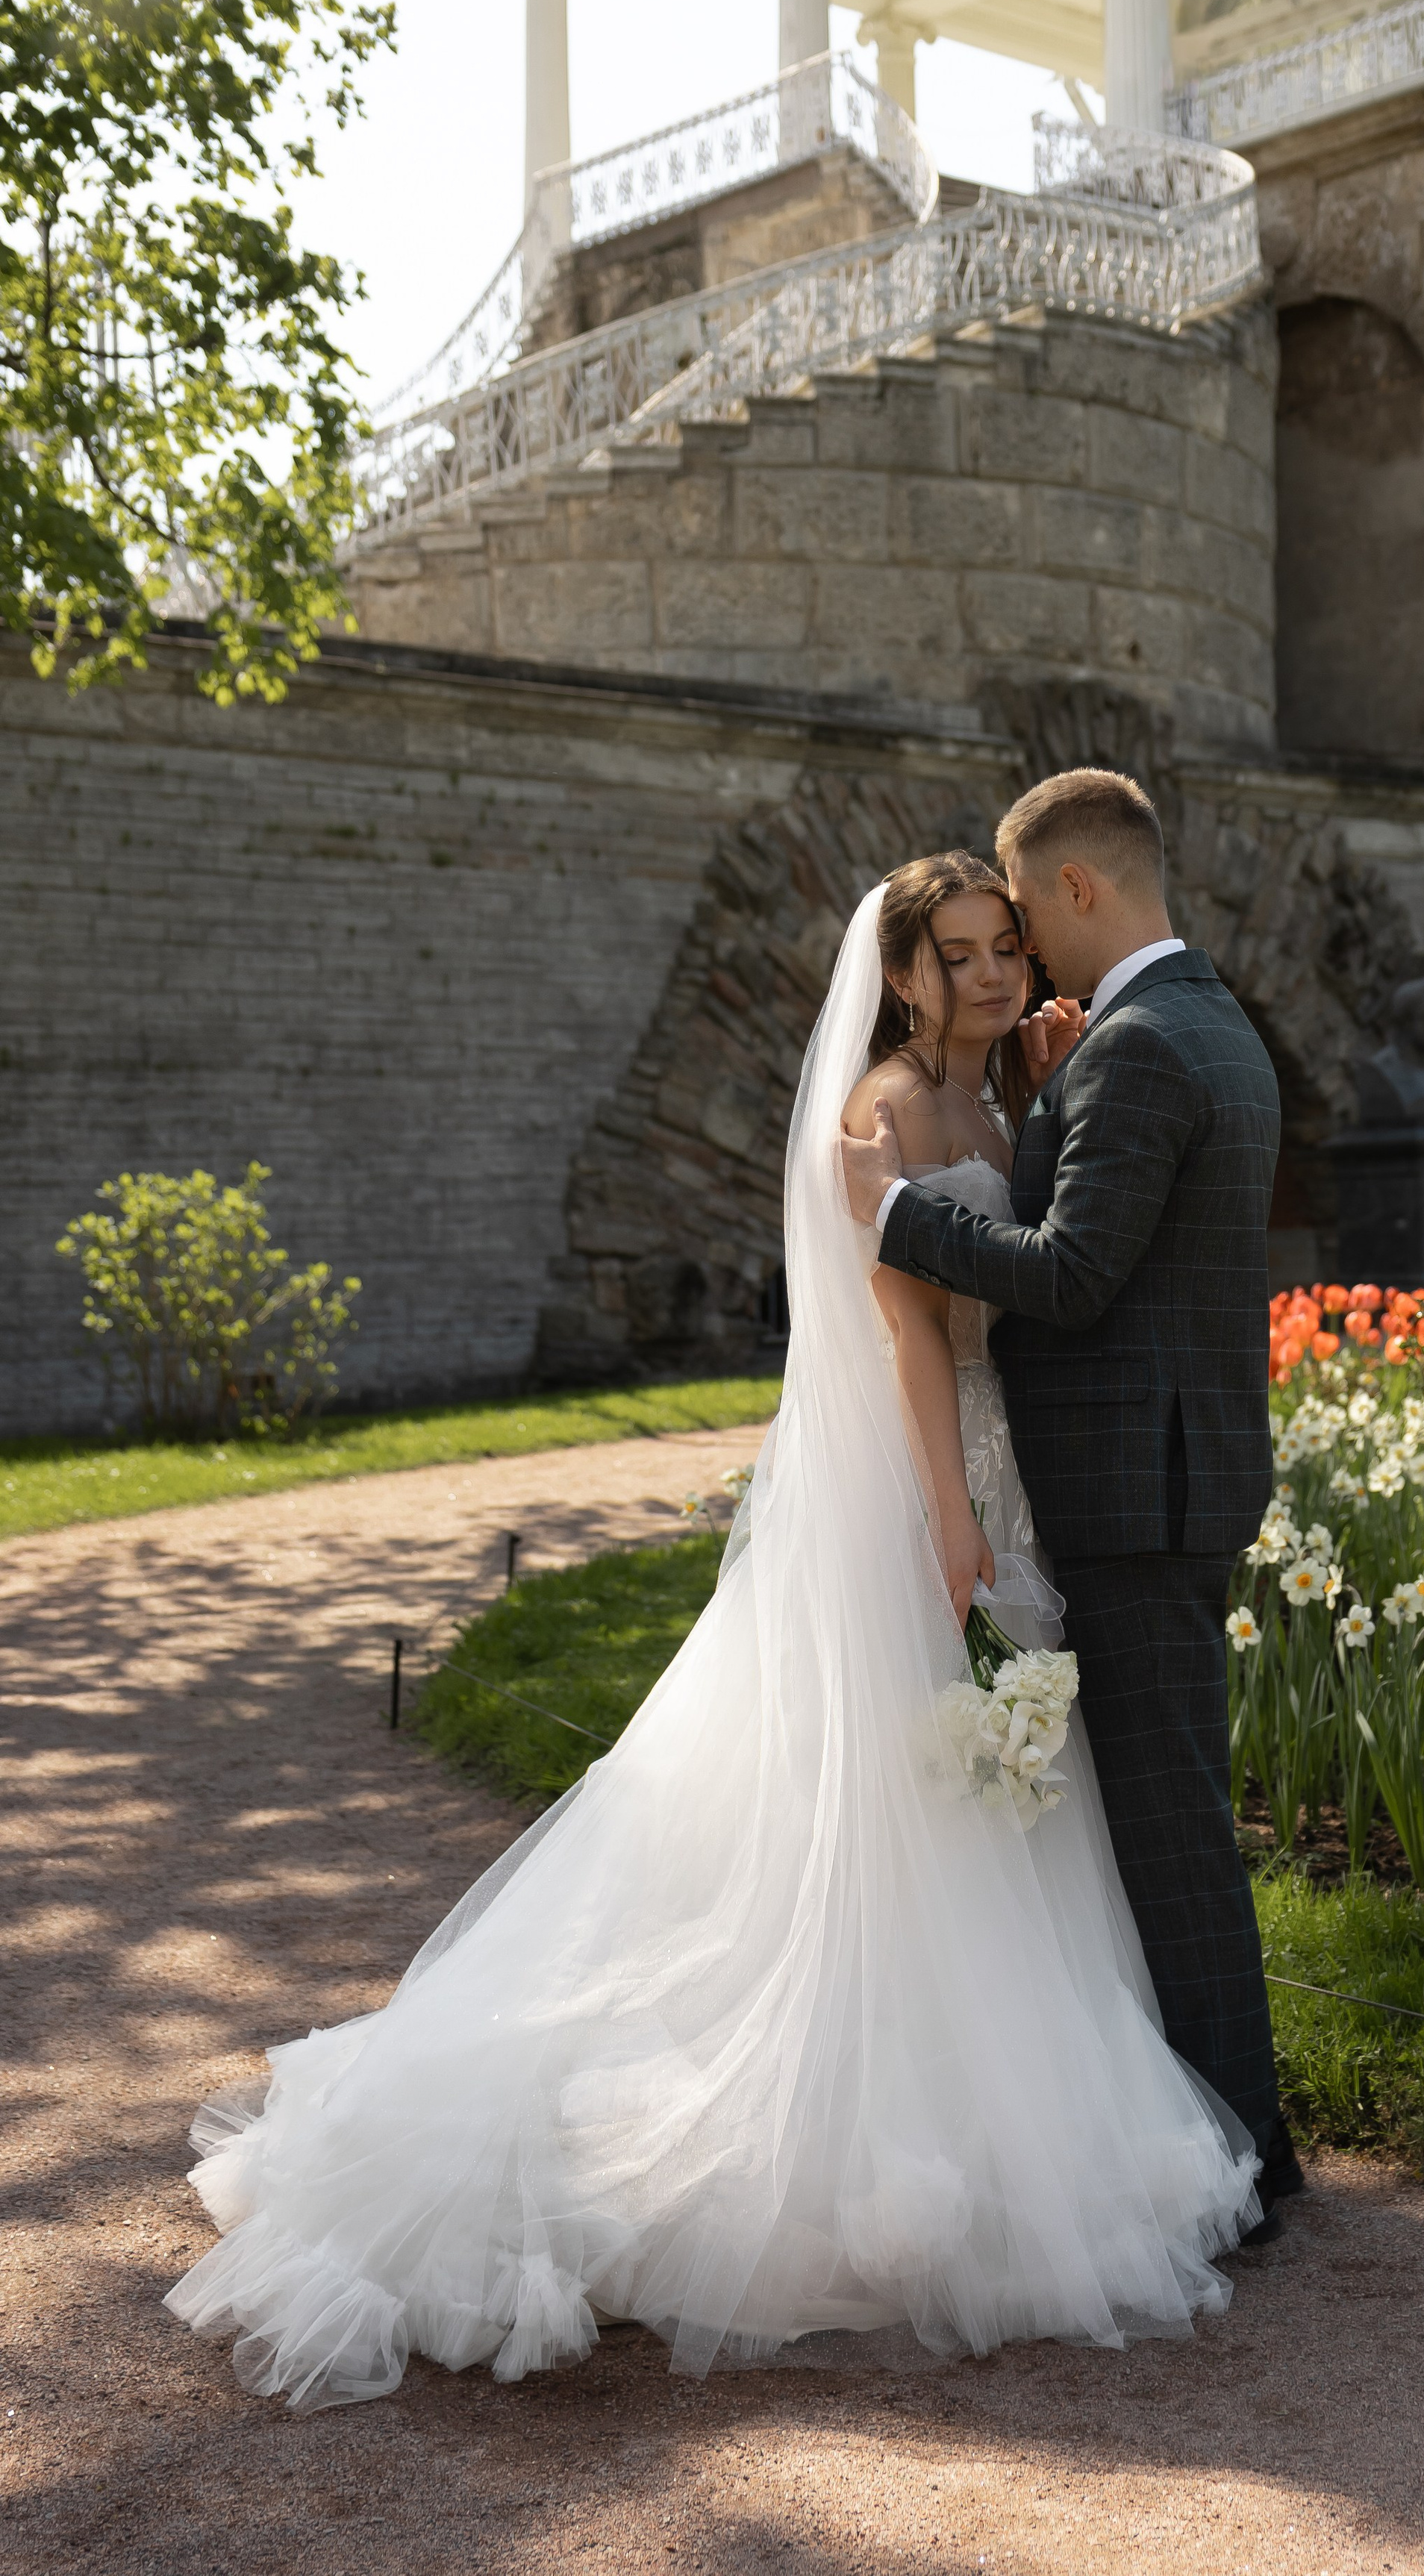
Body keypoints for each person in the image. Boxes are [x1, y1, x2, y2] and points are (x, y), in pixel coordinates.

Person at [163, 841, 1261, 2412]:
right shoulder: (877, 1118)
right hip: (917, 1479)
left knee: (994, 1799)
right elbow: (907, 1344)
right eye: (956, 953)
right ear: (897, 973)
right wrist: (952, 1515)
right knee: (904, 1791)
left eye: (1002, 946)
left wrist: (1042, 1078)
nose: (991, 972)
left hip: (1005, 1468)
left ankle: (989, 2104)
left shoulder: (1014, 1092)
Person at [841, 768, 1303, 2219]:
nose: (1019, 952)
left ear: (1077, 889)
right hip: (1155, 1481)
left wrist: (898, 1213)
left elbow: (1077, 1273)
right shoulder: (1201, 1028)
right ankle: (1218, 2133)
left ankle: (1239, 2158)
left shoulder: (1139, 1049)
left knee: (1167, 1835)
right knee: (1152, 1823)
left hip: (1133, 1493)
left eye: (1027, 914)